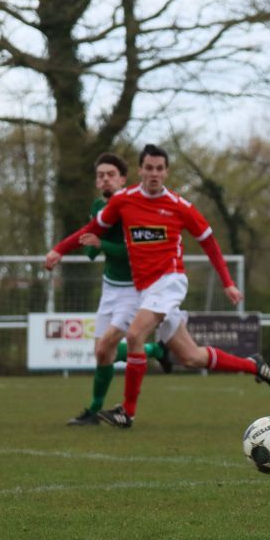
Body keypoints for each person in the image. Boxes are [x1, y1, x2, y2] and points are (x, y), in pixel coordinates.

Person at [45, 144, 270, 428]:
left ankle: (127, 412)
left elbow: (210, 243)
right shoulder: (123, 201)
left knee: (134, 335)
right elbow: (92, 230)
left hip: (169, 282)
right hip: (144, 290)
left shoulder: (180, 207)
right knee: (191, 357)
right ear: (141, 170)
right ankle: (253, 365)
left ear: (166, 172)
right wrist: (59, 249)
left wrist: (228, 283)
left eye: (160, 169)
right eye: (149, 168)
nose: (154, 174)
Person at [57, 153, 176, 426]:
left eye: (111, 174)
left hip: (133, 289)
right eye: (100, 175)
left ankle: (95, 410)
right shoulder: (99, 206)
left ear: (123, 179)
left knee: (109, 343)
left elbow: (131, 252)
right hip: (109, 287)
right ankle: (156, 351)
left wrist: (101, 245)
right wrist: (87, 247)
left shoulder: (131, 209)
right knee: (101, 352)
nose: (105, 179)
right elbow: (91, 244)